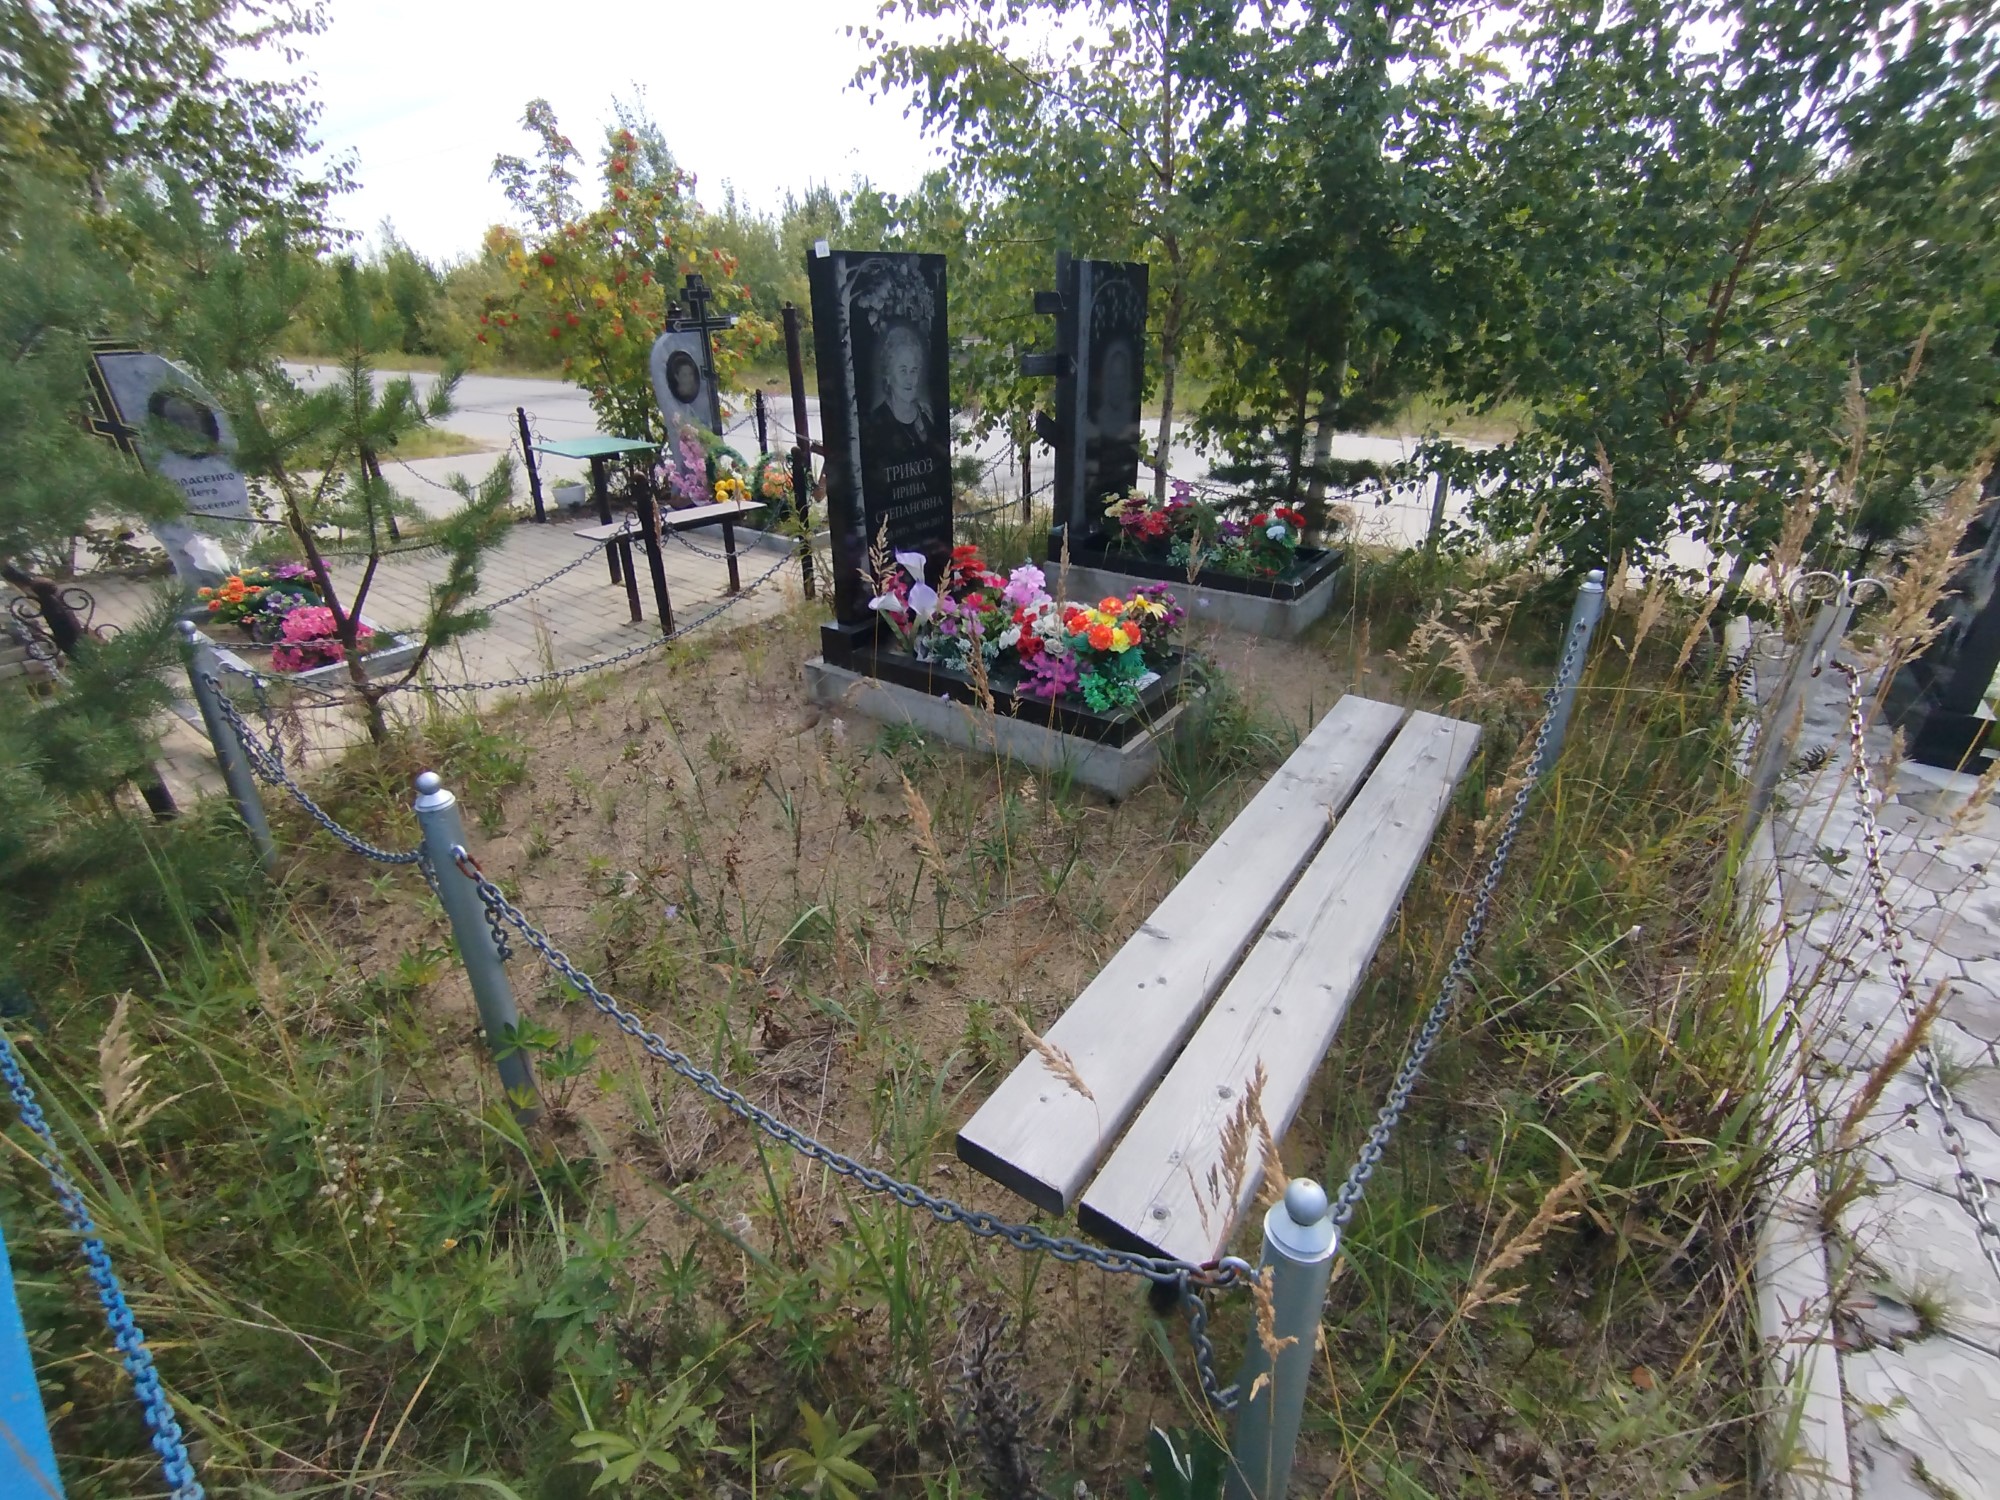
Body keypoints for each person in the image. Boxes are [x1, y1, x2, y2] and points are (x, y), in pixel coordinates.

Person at [861, 321, 937, 468]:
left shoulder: (927, 415)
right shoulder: (875, 423)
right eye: (903, 370)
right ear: (888, 375)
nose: (910, 379)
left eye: (914, 370)